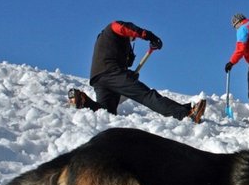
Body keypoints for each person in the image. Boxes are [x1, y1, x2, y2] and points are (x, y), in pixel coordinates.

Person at [68, 20, 206, 123]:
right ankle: (185, 114)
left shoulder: (111, 42)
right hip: (111, 73)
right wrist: (149, 36)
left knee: (106, 113)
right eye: (132, 38)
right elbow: (123, 27)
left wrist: (128, 70)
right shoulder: (112, 29)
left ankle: (83, 101)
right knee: (147, 95)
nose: (132, 39)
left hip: (99, 77)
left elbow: (120, 61)